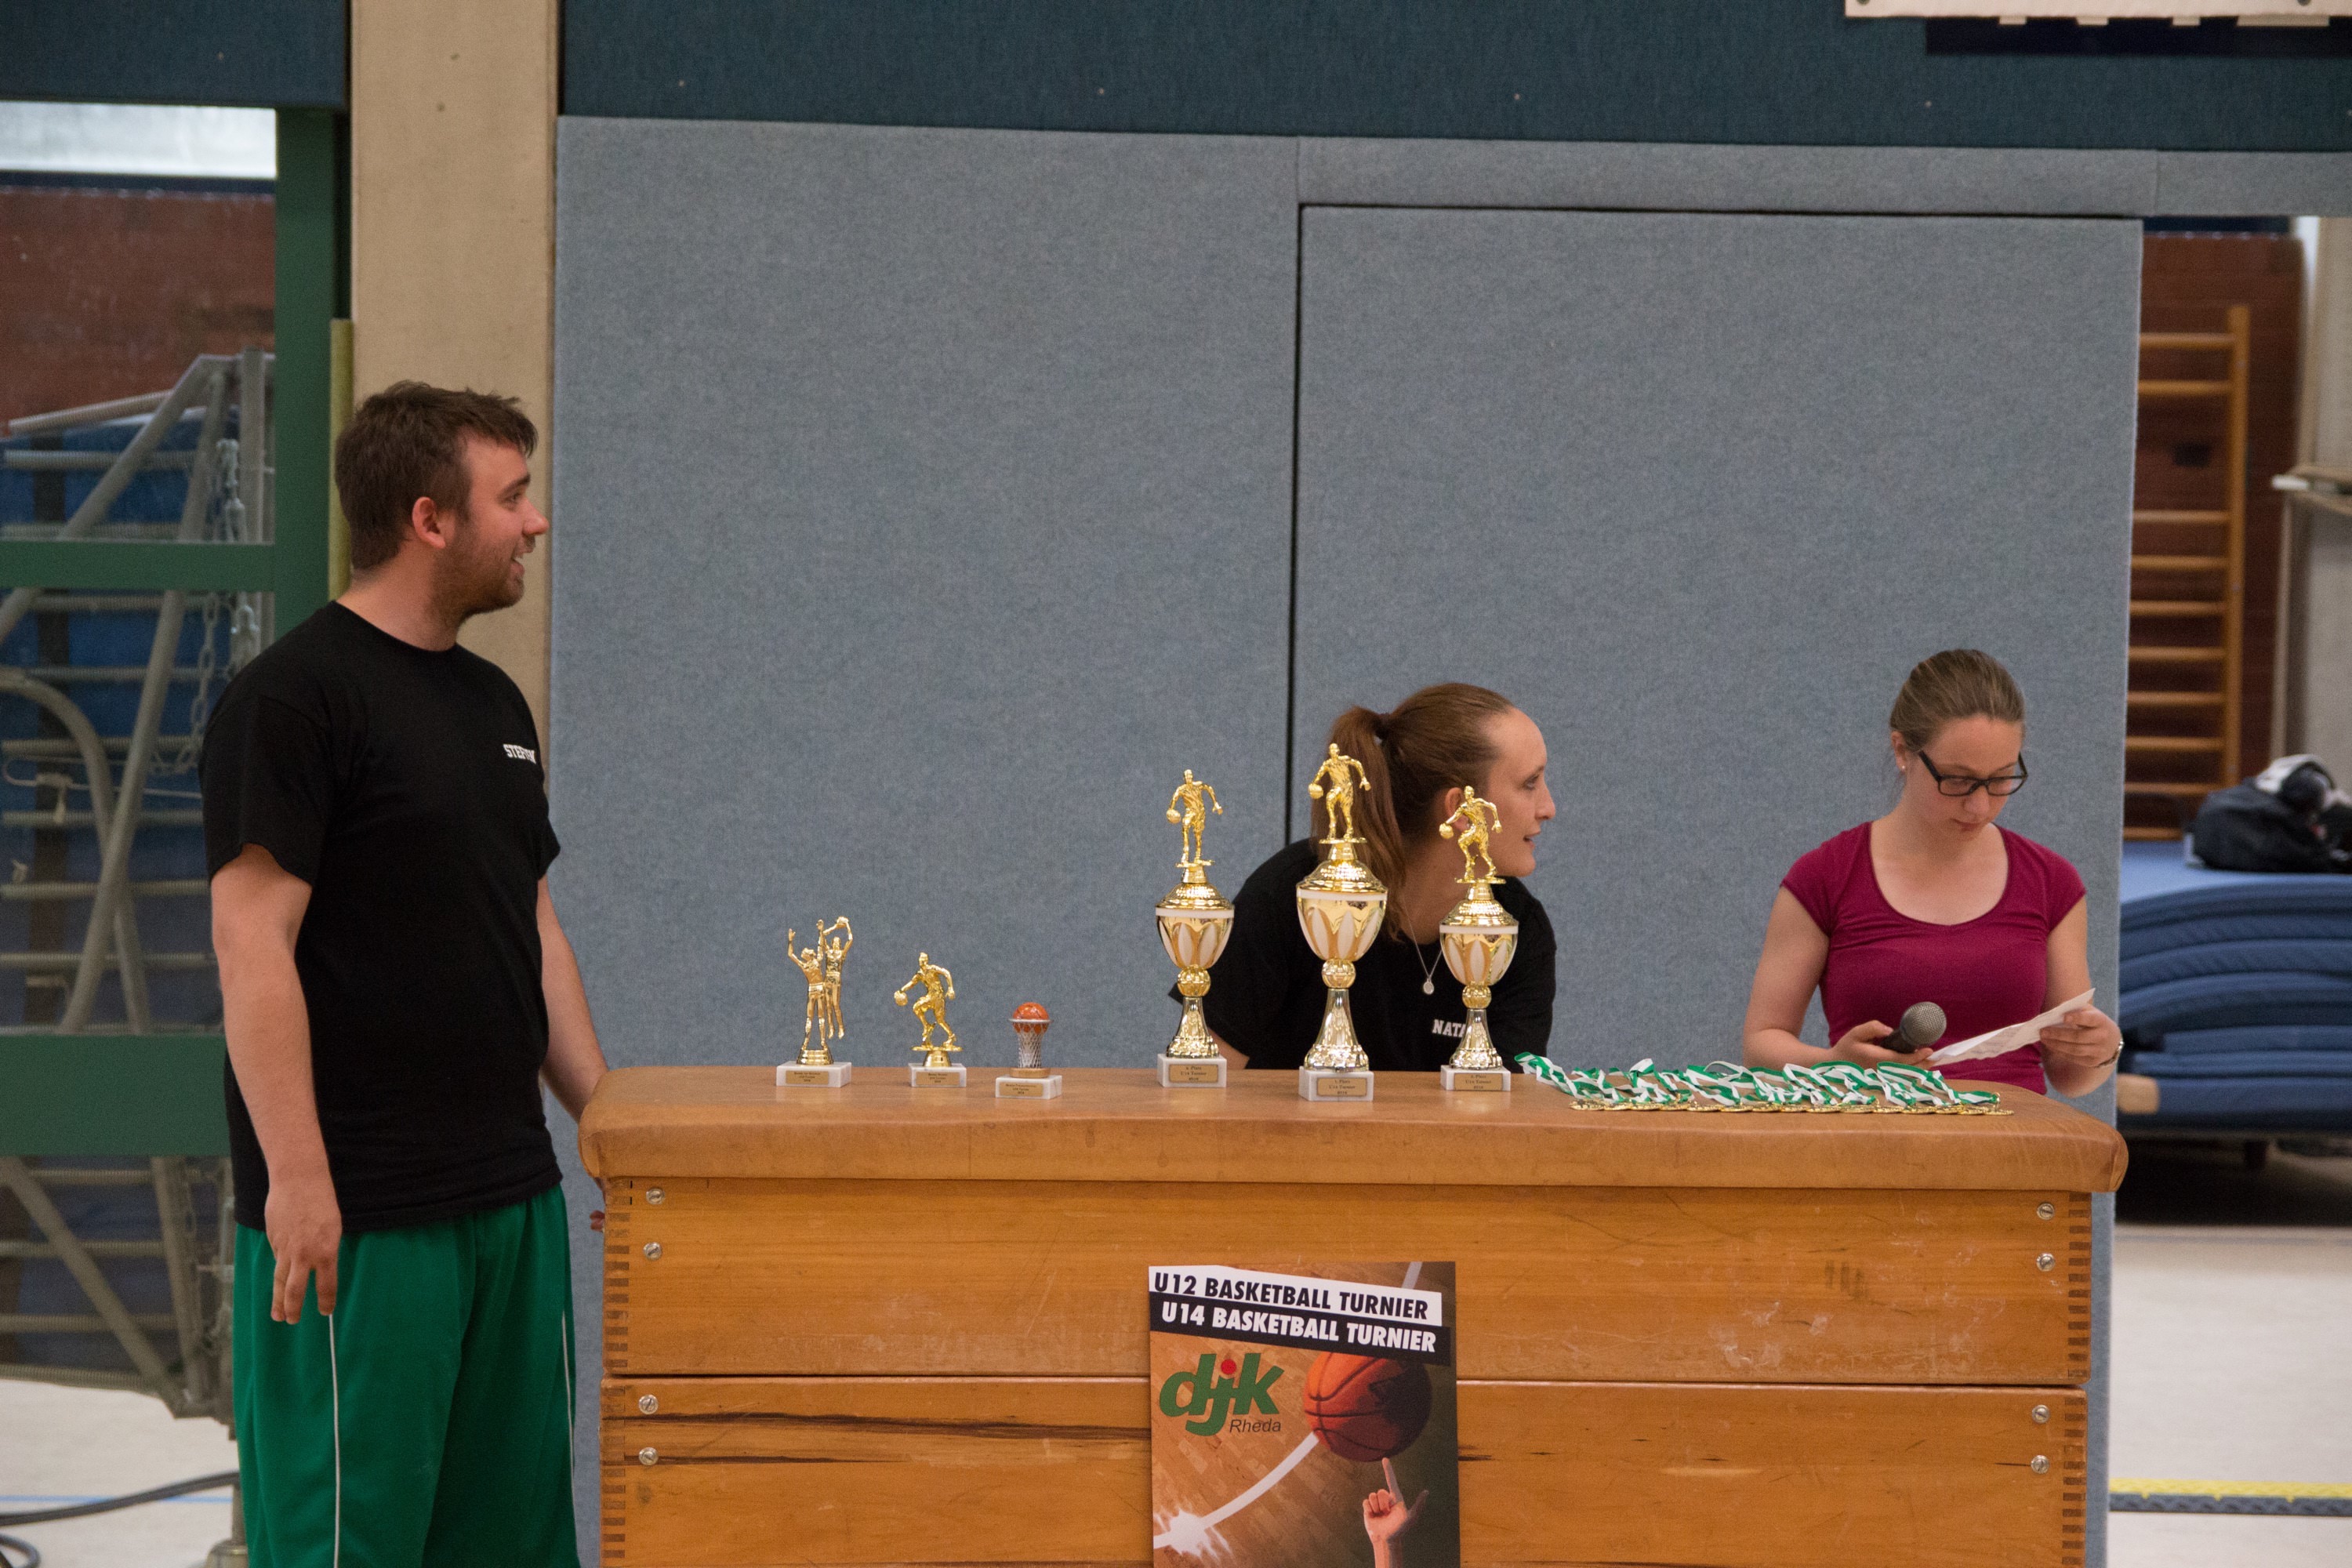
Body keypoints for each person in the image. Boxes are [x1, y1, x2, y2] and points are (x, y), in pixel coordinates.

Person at [204, 382, 607, 1566]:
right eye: (512, 496)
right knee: (351, 1544)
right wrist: (298, 1182)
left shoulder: (494, 703)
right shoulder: (292, 701)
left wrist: (610, 1126)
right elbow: (251, 947)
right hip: (362, 1223)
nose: (535, 521)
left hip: (509, 1203)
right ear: (430, 519)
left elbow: (529, 924)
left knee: (516, 1541)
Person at [1741, 648, 2120, 1098]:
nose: (1979, 805)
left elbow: (2072, 1078)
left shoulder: (2050, 881)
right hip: (1876, 1131)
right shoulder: (1826, 876)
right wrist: (1834, 1066)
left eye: (2001, 779)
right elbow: (1760, 1045)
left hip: (2016, 1136)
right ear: (1903, 750)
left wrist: (2102, 1050)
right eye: (1957, 780)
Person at [1198, 683, 1557, 1072]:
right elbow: (1204, 1089)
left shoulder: (1518, 928)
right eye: (1529, 784)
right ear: (1461, 810)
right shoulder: (1292, 894)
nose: (1548, 808)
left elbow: (1508, 1103)